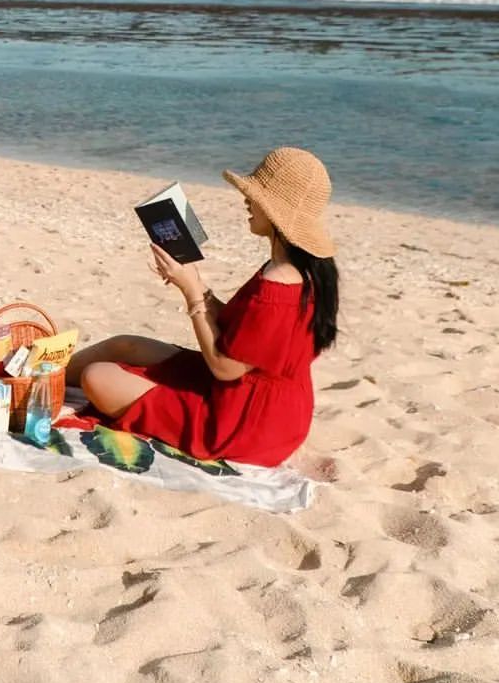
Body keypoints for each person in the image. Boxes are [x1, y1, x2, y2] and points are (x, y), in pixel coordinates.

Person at [66, 147, 339, 466]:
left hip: (242, 423)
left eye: (254, 196)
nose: (246, 201)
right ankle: (41, 375)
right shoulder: (301, 271)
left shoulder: (279, 284)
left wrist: (192, 291)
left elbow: (225, 368)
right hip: (270, 408)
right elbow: (246, 332)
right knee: (125, 345)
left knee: (97, 377)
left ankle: (36, 378)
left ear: (276, 210)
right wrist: (199, 283)